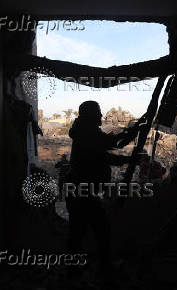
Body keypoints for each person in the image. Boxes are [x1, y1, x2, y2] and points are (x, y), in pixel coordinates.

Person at [66, 100, 144, 287]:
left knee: (81, 231)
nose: (101, 116)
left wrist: (133, 130)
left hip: (81, 191)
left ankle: (76, 270)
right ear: (90, 116)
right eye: (98, 113)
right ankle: (100, 269)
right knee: (98, 230)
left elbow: (109, 146)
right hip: (82, 191)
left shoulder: (86, 132)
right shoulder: (87, 134)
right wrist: (131, 141)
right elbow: (109, 149)